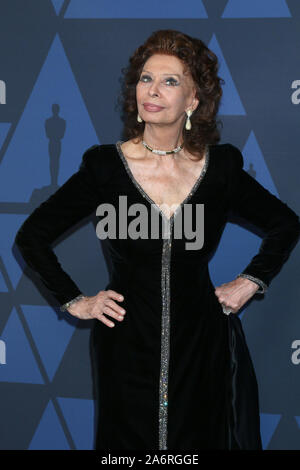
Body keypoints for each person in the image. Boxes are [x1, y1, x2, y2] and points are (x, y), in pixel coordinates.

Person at [14, 29, 300, 451]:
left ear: (193, 100)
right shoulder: (104, 167)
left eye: (171, 81)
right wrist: (77, 300)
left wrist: (251, 280)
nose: (152, 90)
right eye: (146, 78)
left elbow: (285, 224)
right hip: (124, 343)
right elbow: (32, 236)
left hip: (201, 341)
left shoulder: (220, 168)